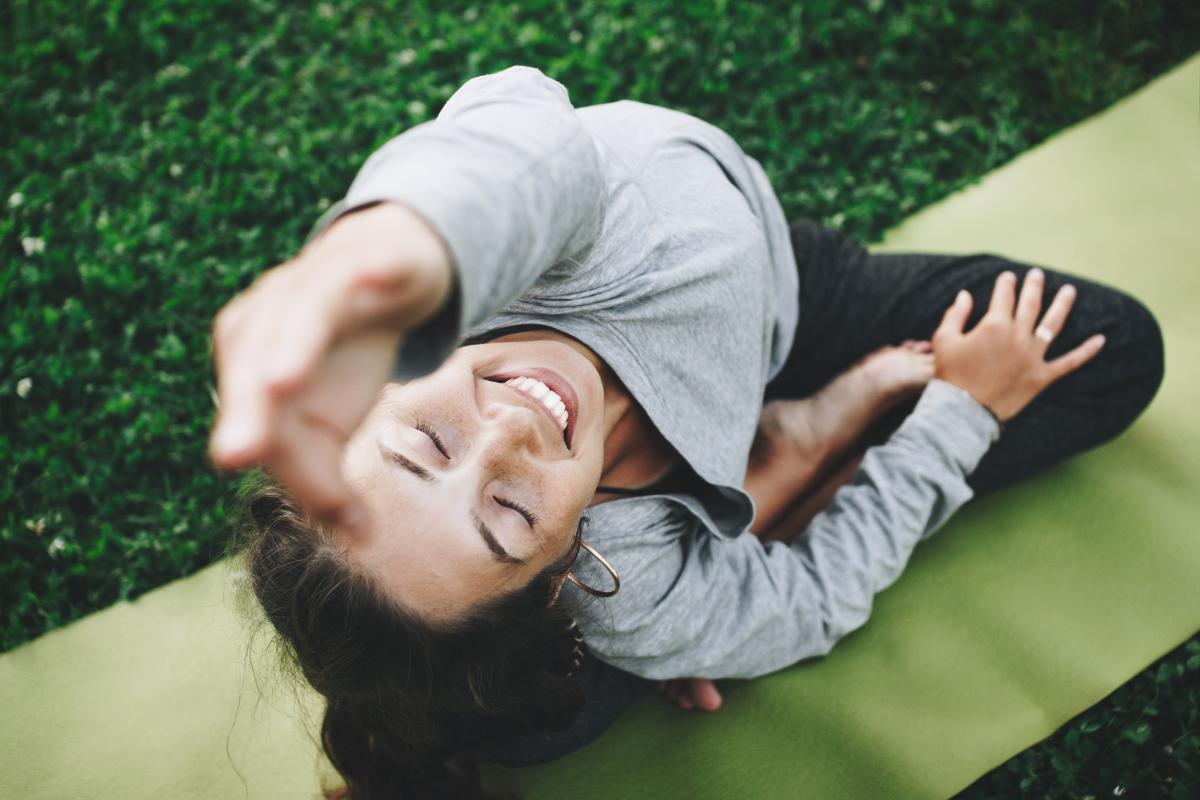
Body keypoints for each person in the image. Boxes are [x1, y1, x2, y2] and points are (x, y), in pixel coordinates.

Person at [209, 66, 1163, 798]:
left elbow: (521, 135)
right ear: (560, 571)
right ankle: (777, 477)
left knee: (1111, 349)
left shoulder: (490, 267)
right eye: (505, 516)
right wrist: (961, 413)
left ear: (369, 390)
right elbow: (815, 601)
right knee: (545, 718)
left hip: (780, 310)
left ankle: (768, 475)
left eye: (428, 443)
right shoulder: (627, 585)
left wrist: (391, 242)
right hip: (682, 512)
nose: (510, 432)